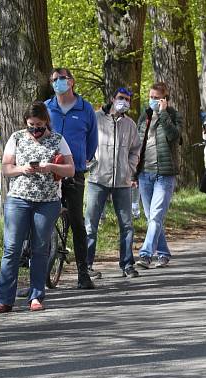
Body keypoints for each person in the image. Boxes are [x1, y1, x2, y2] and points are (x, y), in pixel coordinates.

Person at [0, 102, 76, 313]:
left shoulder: (58, 139)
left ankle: (36, 295)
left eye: (39, 124)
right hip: (19, 198)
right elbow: (6, 168)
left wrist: (51, 166)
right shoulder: (17, 138)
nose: (35, 129)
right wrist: (22, 169)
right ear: (25, 123)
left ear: (46, 122)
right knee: (12, 248)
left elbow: (71, 170)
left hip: (47, 201)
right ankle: (4, 299)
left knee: (40, 248)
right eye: (31, 125)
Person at [44, 67, 98, 289]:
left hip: (74, 172)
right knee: (41, 220)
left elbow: (92, 141)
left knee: (77, 221)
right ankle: (37, 272)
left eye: (62, 79)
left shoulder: (85, 109)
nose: (58, 83)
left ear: (72, 82)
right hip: (49, 171)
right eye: (54, 80)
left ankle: (82, 273)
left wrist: (81, 161)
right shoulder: (47, 108)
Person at [84, 88, 142, 278]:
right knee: (90, 225)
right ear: (112, 99)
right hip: (97, 179)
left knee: (126, 225)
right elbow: (84, 143)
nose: (123, 102)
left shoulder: (130, 124)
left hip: (122, 182)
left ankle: (127, 264)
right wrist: (91, 164)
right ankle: (86, 266)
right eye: (121, 98)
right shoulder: (95, 118)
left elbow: (135, 150)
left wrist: (130, 168)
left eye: (127, 99)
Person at [134, 82, 181, 269]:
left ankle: (145, 254)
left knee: (156, 215)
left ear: (165, 99)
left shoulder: (174, 115)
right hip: (145, 173)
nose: (152, 100)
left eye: (156, 98)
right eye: (151, 97)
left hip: (164, 174)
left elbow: (174, 136)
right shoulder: (144, 117)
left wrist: (163, 114)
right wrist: (133, 172)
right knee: (152, 216)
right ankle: (163, 253)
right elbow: (137, 145)